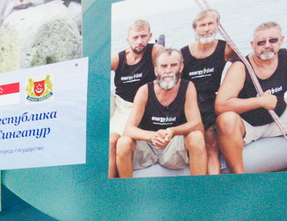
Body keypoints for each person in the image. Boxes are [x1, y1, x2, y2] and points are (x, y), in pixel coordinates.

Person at [116, 48, 207, 177]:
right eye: (163, 66)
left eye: (173, 65)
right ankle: (126, 191)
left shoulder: (188, 87)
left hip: (174, 145)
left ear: (181, 67)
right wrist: (153, 136)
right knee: (123, 142)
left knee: (197, 137)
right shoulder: (144, 90)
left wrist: (172, 131)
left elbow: (196, 123)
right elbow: (129, 129)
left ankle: (199, 190)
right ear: (156, 70)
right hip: (148, 145)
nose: (168, 70)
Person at [215, 22, 287, 174]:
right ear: (252, 45)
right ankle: (240, 177)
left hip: (279, 118)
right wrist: (260, 101)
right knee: (226, 120)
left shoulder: (285, 58)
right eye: (261, 42)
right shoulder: (241, 67)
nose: (267, 45)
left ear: (281, 40)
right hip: (249, 126)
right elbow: (221, 105)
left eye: (272, 40)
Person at [180, 9, 235, 175]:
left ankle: (214, 184)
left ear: (218, 25)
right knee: (198, 141)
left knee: (211, 144)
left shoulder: (226, 49)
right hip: (190, 105)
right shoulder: (183, 54)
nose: (207, 28)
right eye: (202, 25)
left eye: (210, 23)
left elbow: (243, 68)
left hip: (212, 102)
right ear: (195, 29)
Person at [109, 20, 164, 178]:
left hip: (148, 106)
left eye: (143, 36)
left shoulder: (155, 51)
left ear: (150, 36)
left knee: (125, 142)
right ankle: (109, 184)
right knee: (112, 141)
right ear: (128, 39)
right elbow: (94, 71)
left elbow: (172, 67)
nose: (139, 41)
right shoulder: (118, 59)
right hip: (124, 107)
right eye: (135, 37)